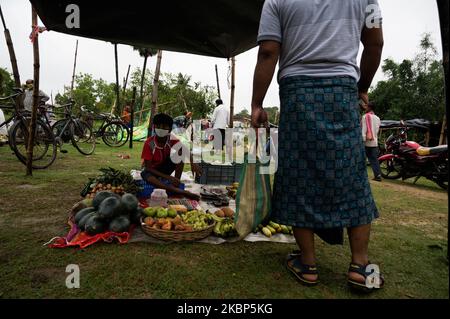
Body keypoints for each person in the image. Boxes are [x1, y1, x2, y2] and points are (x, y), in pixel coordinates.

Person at [251, 0, 384, 291]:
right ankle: (361, 266)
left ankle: (308, 263)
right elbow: (375, 44)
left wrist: (257, 103)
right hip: (342, 90)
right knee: (352, 175)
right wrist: (361, 87)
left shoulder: (276, 1)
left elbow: (268, 51)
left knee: (300, 175)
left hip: (297, 92)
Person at [141, 113, 201, 200]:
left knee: (180, 154)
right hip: (151, 171)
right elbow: (149, 168)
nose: (161, 128)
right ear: (154, 127)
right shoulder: (149, 143)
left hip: (163, 168)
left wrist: (193, 163)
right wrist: (168, 177)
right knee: (147, 175)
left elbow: (184, 149)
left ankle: (176, 181)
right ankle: (177, 190)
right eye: (158, 126)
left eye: (164, 126)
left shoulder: (171, 139)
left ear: (169, 129)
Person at [361, 102, 382, 181]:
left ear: (370, 108)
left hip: (366, 142)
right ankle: (378, 175)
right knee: (374, 160)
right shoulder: (377, 118)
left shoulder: (365, 117)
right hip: (374, 142)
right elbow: (376, 130)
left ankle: (361, 175)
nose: (365, 108)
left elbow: (364, 130)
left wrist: (362, 140)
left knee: (361, 159)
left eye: (366, 106)